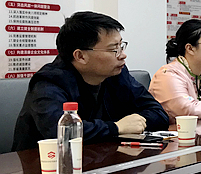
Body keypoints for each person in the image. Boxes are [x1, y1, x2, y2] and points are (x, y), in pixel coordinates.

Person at [12, 11, 168, 151]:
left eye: (121, 46)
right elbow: (61, 131)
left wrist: (136, 123)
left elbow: (158, 113)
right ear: (80, 56)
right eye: (114, 49)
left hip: (103, 159)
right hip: (46, 165)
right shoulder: (49, 82)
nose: (122, 55)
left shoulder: (116, 73)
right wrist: (116, 127)